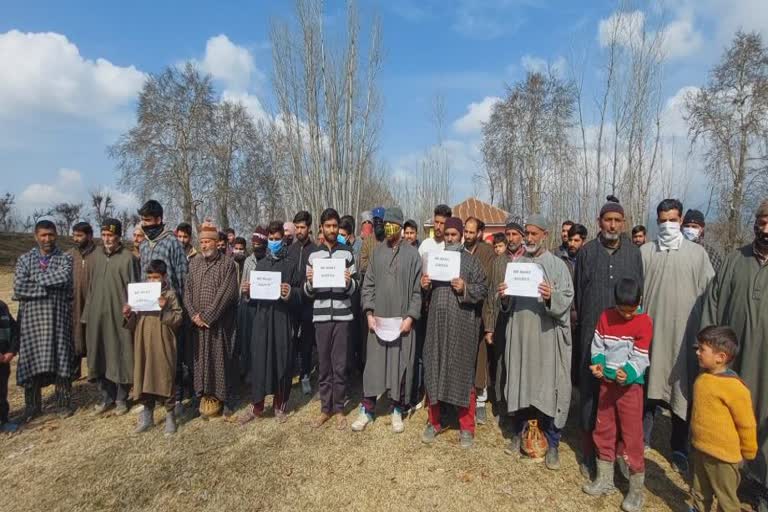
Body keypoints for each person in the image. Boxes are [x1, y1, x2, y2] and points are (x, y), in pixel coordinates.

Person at [701, 199, 768, 511]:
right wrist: (710, 351)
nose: (764, 229)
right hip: (730, 364)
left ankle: (762, 484)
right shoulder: (733, 260)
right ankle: (728, 478)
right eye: (761, 221)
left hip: (766, 366)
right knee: (727, 419)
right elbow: (713, 304)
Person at [641, 198, 714, 474]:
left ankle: (679, 448)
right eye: (662, 220)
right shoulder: (646, 252)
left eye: (673, 219)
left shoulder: (698, 255)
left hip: (685, 338)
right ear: (657, 222)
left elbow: (710, 296)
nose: (668, 225)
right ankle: (642, 439)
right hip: (650, 336)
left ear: (681, 220)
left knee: (681, 393)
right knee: (647, 388)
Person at [495, 214, 574, 469]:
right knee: (521, 383)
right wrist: (505, 297)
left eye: (533, 234)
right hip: (520, 334)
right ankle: (518, 433)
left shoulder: (557, 265)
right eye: (526, 233)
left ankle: (552, 443)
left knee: (546, 387)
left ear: (545, 235)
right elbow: (508, 304)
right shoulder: (517, 264)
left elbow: (567, 298)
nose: (528, 238)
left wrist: (552, 296)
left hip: (545, 337)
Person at [574, 196, 644, 478]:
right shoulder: (587, 252)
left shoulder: (633, 253)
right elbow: (580, 292)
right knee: (591, 391)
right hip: (592, 331)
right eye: (607, 220)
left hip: (624, 338)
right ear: (599, 223)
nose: (612, 225)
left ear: (623, 223)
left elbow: (639, 293)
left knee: (621, 394)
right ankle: (591, 452)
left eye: (617, 221)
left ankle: (617, 453)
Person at [582, 278, 652, 512]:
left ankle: (635, 490)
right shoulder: (605, 317)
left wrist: (629, 372)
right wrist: (598, 363)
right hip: (607, 385)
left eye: (631, 311)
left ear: (639, 303)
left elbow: (641, 356)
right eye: (622, 310)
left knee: (632, 435)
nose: (626, 315)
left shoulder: (644, 322)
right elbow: (598, 345)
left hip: (630, 389)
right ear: (615, 304)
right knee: (603, 429)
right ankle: (605, 478)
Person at [352, 208, 422, 434]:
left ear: (401, 227)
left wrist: (411, 316)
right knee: (373, 365)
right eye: (387, 223)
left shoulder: (412, 255)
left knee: (400, 365)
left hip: (402, 323)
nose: (389, 228)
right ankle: (368, 408)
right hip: (378, 321)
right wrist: (369, 313)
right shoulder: (377, 252)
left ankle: (397, 409)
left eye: (394, 224)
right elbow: (368, 285)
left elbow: (416, 291)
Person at [420, 217, 487, 448]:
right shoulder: (433, 260)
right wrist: (425, 285)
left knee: (461, 373)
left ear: (461, 237)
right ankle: (435, 421)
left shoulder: (471, 262)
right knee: (434, 368)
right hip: (437, 326)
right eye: (447, 235)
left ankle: (466, 427)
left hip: (462, 326)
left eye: (454, 235)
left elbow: (483, 289)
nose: (450, 238)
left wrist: (465, 288)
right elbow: (425, 293)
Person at [238, 221, 301, 425]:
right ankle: (257, 406)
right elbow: (254, 298)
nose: (274, 242)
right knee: (260, 362)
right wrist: (248, 293)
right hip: (262, 320)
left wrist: (290, 293)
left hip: (282, 320)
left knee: (281, 362)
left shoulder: (291, 264)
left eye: (277, 239)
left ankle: (280, 406)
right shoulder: (261, 264)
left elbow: (301, 294)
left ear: (284, 239)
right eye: (271, 239)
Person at [689, 326, 757, 512]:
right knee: (699, 493)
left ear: (720, 357)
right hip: (702, 451)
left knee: (726, 500)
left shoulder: (735, 388)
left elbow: (746, 423)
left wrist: (749, 451)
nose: (697, 352)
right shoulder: (703, 378)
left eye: (702, 349)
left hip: (724, 458)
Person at [13, 220, 75, 420]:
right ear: (36, 236)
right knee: (31, 361)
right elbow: (19, 288)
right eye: (43, 235)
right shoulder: (24, 259)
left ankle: (63, 404)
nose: (47, 239)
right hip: (32, 322)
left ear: (56, 235)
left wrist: (36, 279)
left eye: (51, 235)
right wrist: (49, 285)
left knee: (62, 360)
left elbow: (64, 278)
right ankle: (32, 407)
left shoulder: (65, 258)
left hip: (58, 319)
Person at [304, 208, 358, 430]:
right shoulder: (313, 256)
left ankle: (339, 408)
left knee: (340, 363)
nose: (332, 230)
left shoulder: (347, 253)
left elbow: (356, 287)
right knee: (324, 363)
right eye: (328, 226)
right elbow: (308, 291)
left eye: (335, 226)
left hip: (343, 315)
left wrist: (348, 282)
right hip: (322, 316)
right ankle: (325, 408)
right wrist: (310, 282)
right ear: (321, 228)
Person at [81, 219, 140, 416]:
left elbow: (135, 290)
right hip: (96, 316)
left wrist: (131, 310)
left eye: (111, 235)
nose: (107, 239)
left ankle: (121, 398)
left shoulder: (128, 259)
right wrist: (87, 314)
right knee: (99, 356)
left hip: (119, 318)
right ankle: (106, 397)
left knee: (122, 356)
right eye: (104, 235)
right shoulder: (95, 256)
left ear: (118, 236)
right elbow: (90, 288)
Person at [184, 220, 240, 418]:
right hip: (198, 326)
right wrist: (193, 314)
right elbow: (187, 292)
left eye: (208, 241)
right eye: (202, 242)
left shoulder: (227, 265)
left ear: (217, 243)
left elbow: (227, 293)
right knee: (201, 362)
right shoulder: (195, 263)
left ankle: (225, 399)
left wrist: (208, 316)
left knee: (221, 361)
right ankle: (205, 395)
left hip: (219, 326)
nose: (204, 245)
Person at [123, 259, 183, 435]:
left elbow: (178, 319)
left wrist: (165, 309)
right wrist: (128, 314)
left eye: (156, 277)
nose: (152, 281)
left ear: (164, 277)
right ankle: (147, 415)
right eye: (149, 277)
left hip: (163, 341)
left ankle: (170, 416)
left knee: (164, 376)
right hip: (143, 341)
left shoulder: (170, 295)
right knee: (143, 375)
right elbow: (133, 321)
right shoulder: (140, 294)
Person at [464, 216, 496, 424]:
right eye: (465, 231)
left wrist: (490, 321)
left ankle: (482, 401)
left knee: (482, 356)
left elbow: (490, 284)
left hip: (482, 308)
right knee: (466, 356)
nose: (467, 235)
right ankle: (466, 398)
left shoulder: (487, 252)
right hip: (464, 308)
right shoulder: (459, 251)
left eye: (470, 232)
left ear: (479, 233)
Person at [288, 211, 316, 396]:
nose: (299, 231)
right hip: (291, 300)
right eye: (296, 227)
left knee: (306, 340)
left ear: (309, 228)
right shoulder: (289, 250)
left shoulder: (315, 251)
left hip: (308, 302)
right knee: (290, 338)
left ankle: (305, 374)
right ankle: (291, 373)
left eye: (302, 227)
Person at [68, 221, 97, 375]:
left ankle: (94, 371)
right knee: (74, 334)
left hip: (93, 303)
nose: (76, 239)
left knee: (93, 336)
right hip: (74, 303)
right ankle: (74, 370)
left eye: (80, 235)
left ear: (89, 236)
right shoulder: (69, 255)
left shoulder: (99, 255)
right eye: (74, 235)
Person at [682, 209, 723, 273]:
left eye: (694, 227)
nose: (690, 229)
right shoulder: (677, 249)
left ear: (701, 229)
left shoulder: (710, 253)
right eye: (687, 226)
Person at [0, 300, 19, 427]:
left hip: (3, 360)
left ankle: (4, 419)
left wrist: (11, 351)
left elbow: (14, 329)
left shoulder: (2, 307)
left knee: (2, 390)